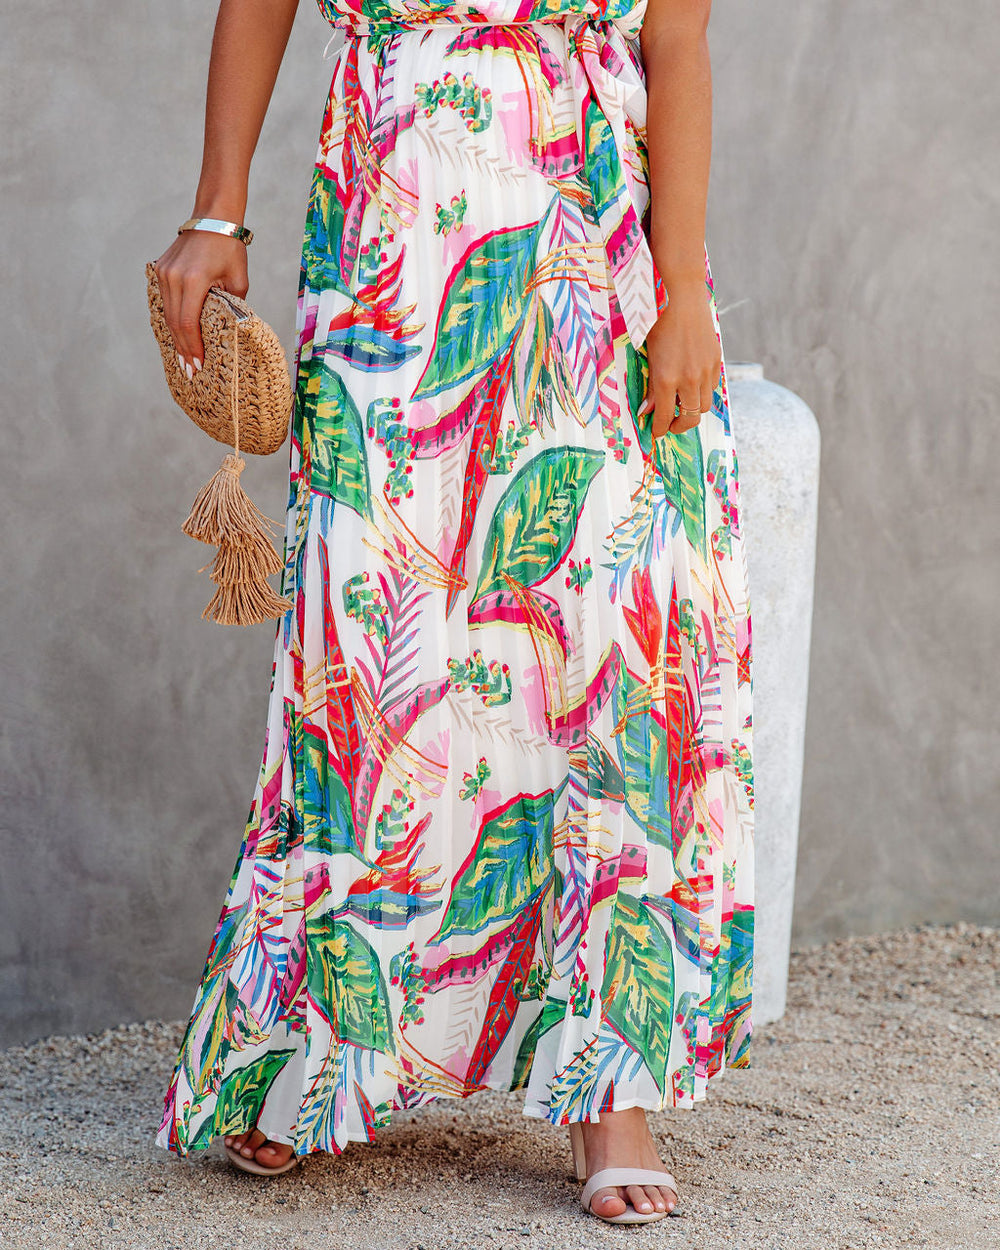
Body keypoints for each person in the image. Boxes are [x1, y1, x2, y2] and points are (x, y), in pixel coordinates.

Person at [154, 0, 755, 1227]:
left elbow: (677, 38)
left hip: (593, 242)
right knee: (370, 629)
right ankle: (313, 1049)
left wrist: (683, 285)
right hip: (392, 226)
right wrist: (216, 213)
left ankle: (609, 1087)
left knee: (604, 631)